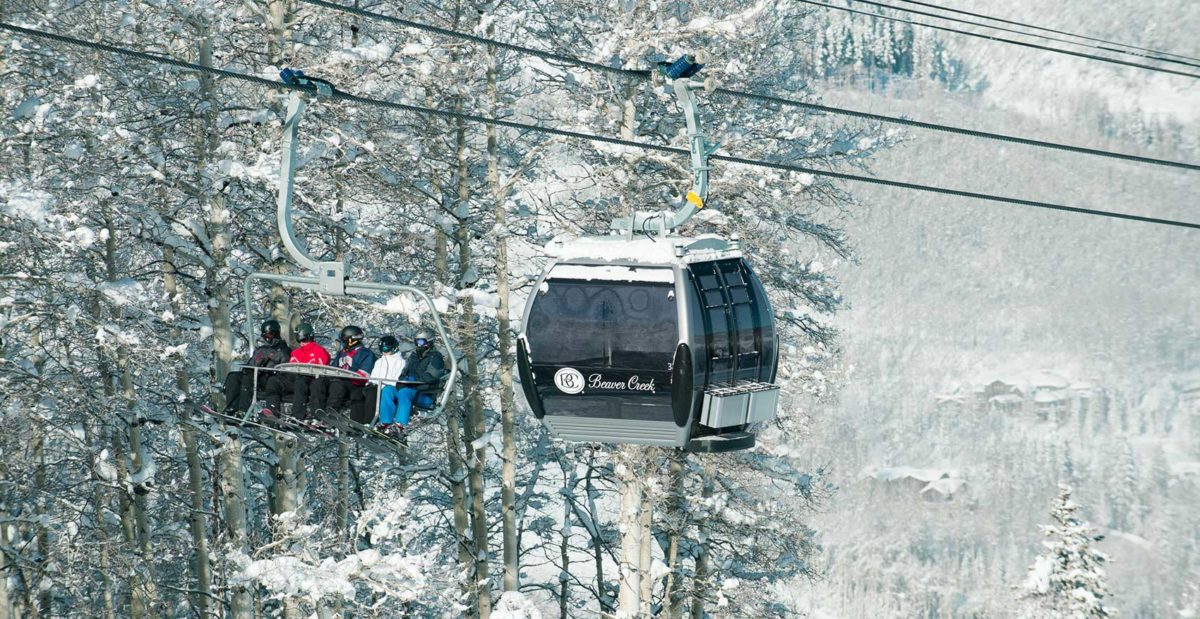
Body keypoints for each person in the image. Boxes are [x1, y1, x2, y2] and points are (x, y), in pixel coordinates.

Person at [220, 319, 291, 413]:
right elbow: (251, 364)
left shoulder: (283, 351)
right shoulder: (260, 350)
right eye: (264, 335)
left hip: (268, 380)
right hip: (254, 376)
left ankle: (244, 410)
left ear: (276, 334)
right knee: (233, 376)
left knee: (248, 378)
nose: (267, 338)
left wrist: (269, 365)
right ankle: (232, 407)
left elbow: (284, 371)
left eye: (269, 335)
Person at [385, 329, 446, 435]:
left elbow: (431, 376)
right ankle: (385, 422)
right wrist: (402, 381)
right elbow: (404, 373)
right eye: (416, 341)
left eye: (421, 342)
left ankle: (400, 425)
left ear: (429, 342)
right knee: (387, 390)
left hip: (424, 392)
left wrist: (413, 381)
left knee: (405, 393)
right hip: (409, 388)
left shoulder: (435, 357)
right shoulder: (414, 356)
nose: (418, 344)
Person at [263, 322, 330, 419]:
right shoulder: (296, 352)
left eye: (304, 339)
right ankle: (272, 412)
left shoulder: (319, 351)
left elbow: (321, 368)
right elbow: (291, 367)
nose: (302, 342)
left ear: (310, 337)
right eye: (299, 339)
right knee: (274, 380)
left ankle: (298, 415)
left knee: (301, 382)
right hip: (295, 380)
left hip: (310, 381)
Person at [309, 325, 377, 420]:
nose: (343, 342)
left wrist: (343, 376)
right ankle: (316, 413)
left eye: (345, 339)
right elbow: (333, 368)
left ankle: (331, 414)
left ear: (353, 339)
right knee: (318, 382)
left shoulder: (365, 354)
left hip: (354, 384)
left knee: (337, 385)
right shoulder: (342, 353)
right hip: (337, 380)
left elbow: (364, 375)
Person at [367, 335, 408, 429]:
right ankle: (365, 421)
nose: (383, 352)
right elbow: (373, 376)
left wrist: (383, 385)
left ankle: (385, 421)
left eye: (386, 349)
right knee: (367, 392)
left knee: (386, 391)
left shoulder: (401, 362)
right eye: (381, 349)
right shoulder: (379, 362)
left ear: (394, 348)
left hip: (391, 388)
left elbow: (397, 379)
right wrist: (370, 384)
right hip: (377, 387)